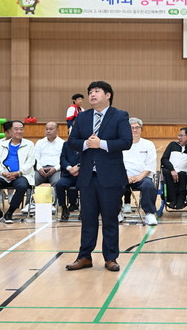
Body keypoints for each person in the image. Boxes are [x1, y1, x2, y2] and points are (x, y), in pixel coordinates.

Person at [65, 81, 132, 272]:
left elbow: (126, 142)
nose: (92, 95)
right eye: (90, 92)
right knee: (87, 219)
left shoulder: (119, 115)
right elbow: (72, 141)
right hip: (87, 177)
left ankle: (110, 258)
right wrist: (87, 144)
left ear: (108, 95)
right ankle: (84, 256)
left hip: (111, 176)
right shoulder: (83, 117)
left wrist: (101, 143)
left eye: (97, 91)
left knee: (110, 219)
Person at [0, 120, 35, 224]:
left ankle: (10, 212)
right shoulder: (2, 145)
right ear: (10, 131)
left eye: (21, 129)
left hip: (21, 175)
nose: (19, 131)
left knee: (22, 186)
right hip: (5, 175)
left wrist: (18, 173)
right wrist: (3, 173)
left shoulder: (29, 144)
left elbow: (30, 162)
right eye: (16, 129)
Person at [122, 117, 158, 225]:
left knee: (149, 185)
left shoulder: (149, 144)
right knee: (113, 185)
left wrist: (138, 177)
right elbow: (116, 163)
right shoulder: (121, 144)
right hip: (123, 176)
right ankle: (116, 212)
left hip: (142, 177)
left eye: (137, 127)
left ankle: (149, 214)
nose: (134, 130)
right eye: (132, 128)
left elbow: (150, 165)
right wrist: (125, 177)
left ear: (141, 129)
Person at [160, 127, 187, 210]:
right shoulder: (172, 145)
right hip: (170, 170)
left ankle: (181, 199)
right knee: (166, 172)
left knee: (183, 174)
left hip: (182, 173)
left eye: (181, 135)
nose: (178, 137)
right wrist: (172, 170)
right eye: (178, 135)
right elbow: (164, 159)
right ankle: (172, 199)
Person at [26, 122, 64, 213]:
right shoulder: (40, 142)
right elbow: (35, 158)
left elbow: (63, 159)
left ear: (57, 130)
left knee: (57, 182)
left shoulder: (62, 143)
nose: (48, 131)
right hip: (41, 169)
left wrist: (55, 168)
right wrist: (39, 168)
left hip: (55, 169)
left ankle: (52, 205)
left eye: (51, 129)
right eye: (47, 129)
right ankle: (30, 204)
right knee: (30, 181)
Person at [55, 141, 81, 221]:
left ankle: (84, 210)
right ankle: (64, 208)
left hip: (82, 175)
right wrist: (69, 168)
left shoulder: (86, 143)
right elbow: (62, 159)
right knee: (59, 185)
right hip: (68, 174)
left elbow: (89, 158)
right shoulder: (66, 144)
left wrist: (79, 167)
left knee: (85, 185)